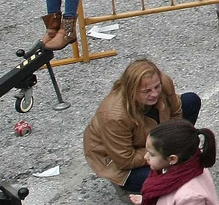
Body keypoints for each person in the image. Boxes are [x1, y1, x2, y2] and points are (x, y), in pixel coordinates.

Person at [84, 59, 202, 195]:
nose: (155, 94)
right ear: (132, 90)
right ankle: (125, 185)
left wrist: (173, 142)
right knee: (171, 179)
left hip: (153, 139)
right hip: (121, 159)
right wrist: (162, 153)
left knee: (190, 100)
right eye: (146, 91)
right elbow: (125, 160)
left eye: (157, 87)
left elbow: (176, 112)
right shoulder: (114, 116)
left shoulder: (162, 82)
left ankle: (172, 157)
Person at [138, 119, 219, 205]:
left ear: (172, 159)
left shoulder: (189, 199)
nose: (145, 157)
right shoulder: (193, 166)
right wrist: (150, 199)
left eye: (152, 154)